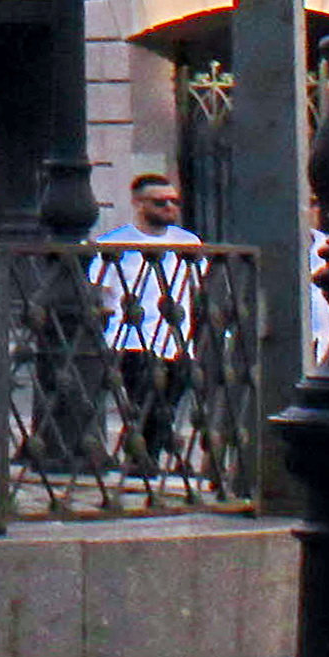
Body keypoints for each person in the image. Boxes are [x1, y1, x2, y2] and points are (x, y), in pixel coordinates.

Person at [91, 173, 209, 475]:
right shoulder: (114, 243)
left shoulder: (188, 242)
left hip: (176, 339)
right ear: (138, 204)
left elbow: (197, 287)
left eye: (174, 201)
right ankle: (143, 460)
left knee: (167, 404)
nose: (169, 207)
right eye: (160, 202)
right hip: (131, 338)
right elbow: (100, 290)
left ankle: (147, 458)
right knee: (143, 401)